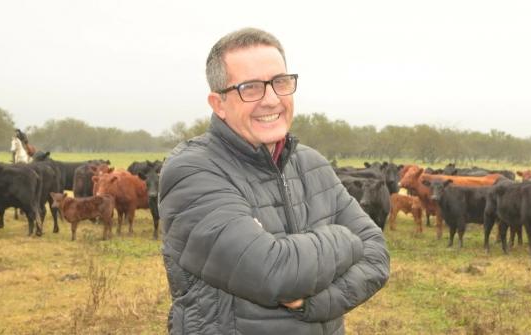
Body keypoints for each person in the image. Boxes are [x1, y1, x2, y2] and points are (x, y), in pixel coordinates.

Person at [158, 27, 390, 335]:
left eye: (280, 82)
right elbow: (273, 274)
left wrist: (312, 304)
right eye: (250, 88)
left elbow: (377, 256)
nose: (271, 100)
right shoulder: (192, 171)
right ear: (219, 104)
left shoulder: (312, 164)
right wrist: (346, 239)